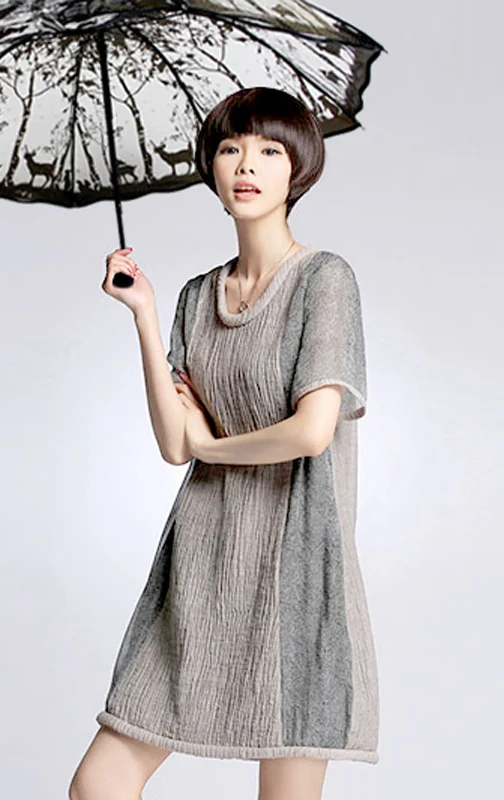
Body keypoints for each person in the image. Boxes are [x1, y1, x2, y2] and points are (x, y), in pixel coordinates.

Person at [69, 87, 379, 800]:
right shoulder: (193, 296)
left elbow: (312, 431)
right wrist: (144, 314)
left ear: (298, 169)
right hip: (202, 564)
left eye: (270, 150)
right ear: (210, 164)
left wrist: (213, 448)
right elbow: (175, 444)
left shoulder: (324, 281)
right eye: (231, 148)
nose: (247, 165)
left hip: (295, 570)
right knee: (98, 784)